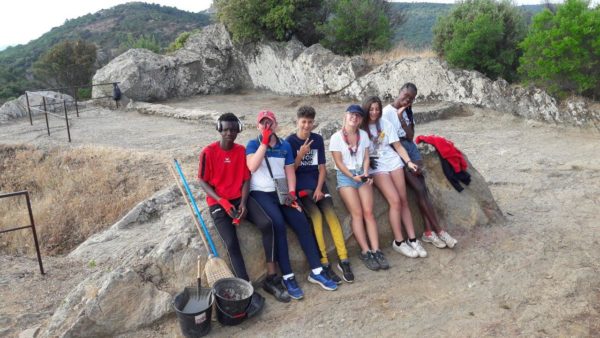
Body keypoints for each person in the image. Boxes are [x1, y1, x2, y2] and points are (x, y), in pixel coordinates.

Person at [197, 113, 290, 303]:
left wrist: (244, 203)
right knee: (231, 243)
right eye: (225, 129)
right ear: (219, 129)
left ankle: (272, 277)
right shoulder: (208, 152)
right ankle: (246, 287)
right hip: (218, 203)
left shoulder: (240, 151)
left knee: (267, 223)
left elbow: (247, 179)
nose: (229, 133)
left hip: (240, 199)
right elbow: (202, 181)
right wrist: (222, 202)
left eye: (233, 129)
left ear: (238, 130)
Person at [246, 110, 338, 300]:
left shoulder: (285, 145)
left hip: (282, 190)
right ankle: (288, 276)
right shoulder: (253, 144)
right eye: (263, 124)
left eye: (270, 123)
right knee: (278, 224)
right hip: (261, 192)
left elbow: (290, 172)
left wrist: (293, 194)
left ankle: (317, 270)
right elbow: (252, 167)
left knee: (302, 222)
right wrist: (264, 142)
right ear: (258, 126)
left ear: (276, 125)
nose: (267, 127)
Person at [382, 83, 458, 249]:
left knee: (422, 189)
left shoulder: (407, 111)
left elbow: (410, 136)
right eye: (406, 95)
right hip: (399, 151)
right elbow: (388, 140)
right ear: (399, 91)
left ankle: (429, 232)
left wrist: (402, 118)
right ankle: (439, 231)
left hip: (411, 148)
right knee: (418, 188)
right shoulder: (386, 113)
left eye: (411, 98)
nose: (407, 99)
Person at [286, 105, 355, 284]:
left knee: (332, 216)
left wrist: (319, 188)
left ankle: (343, 259)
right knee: (316, 218)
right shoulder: (290, 142)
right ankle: (324, 262)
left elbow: (322, 168)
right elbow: (290, 171)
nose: (307, 126)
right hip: (301, 188)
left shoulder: (316, 139)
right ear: (297, 122)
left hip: (318, 185)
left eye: (310, 122)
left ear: (313, 123)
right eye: (303, 122)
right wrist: (300, 155)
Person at [361, 96, 427, 259]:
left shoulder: (385, 124)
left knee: (403, 200)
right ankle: (399, 241)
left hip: (393, 160)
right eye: (371, 109)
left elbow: (397, 146)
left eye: (377, 109)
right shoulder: (361, 128)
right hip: (377, 166)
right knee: (395, 201)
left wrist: (409, 162)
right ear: (366, 109)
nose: (374, 112)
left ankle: (413, 239)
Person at [330, 104, 388, 271]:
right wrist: (352, 176)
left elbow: (366, 158)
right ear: (345, 116)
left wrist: (365, 174)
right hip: (346, 176)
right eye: (351, 114)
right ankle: (365, 250)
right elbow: (339, 163)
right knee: (357, 214)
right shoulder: (336, 137)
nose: (354, 118)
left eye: (357, 115)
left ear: (361, 119)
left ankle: (376, 250)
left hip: (361, 175)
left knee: (369, 213)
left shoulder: (363, 135)